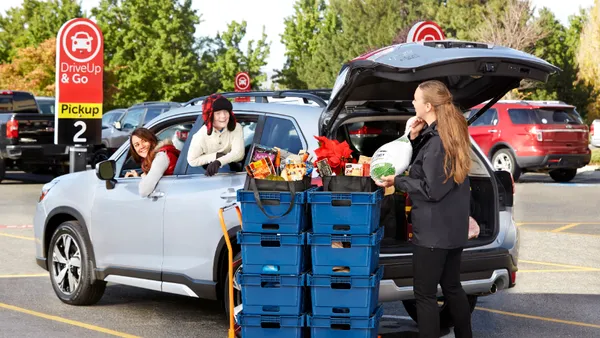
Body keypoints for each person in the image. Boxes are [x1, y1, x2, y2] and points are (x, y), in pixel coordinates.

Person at [375, 80, 473, 338]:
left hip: (433, 232)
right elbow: (431, 170)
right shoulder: (448, 134)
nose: (413, 104)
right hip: (452, 228)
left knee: (425, 295)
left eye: (416, 99)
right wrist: (415, 138)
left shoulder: (438, 141)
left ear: (428, 106)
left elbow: (431, 189)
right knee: (452, 287)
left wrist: (396, 180)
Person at [187, 93, 244, 176]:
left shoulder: (236, 128)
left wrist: (219, 161)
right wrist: (215, 156)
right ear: (210, 116)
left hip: (234, 175)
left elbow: (239, 154)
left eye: (226, 112)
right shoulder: (201, 135)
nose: (223, 116)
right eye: (218, 113)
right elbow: (192, 161)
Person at [125, 128, 181, 198]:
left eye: (144, 141)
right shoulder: (153, 158)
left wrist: (143, 176)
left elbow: (144, 191)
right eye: (137, 145)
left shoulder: (161, 157)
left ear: (151, 140)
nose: (141, 146)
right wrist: (137, 178)